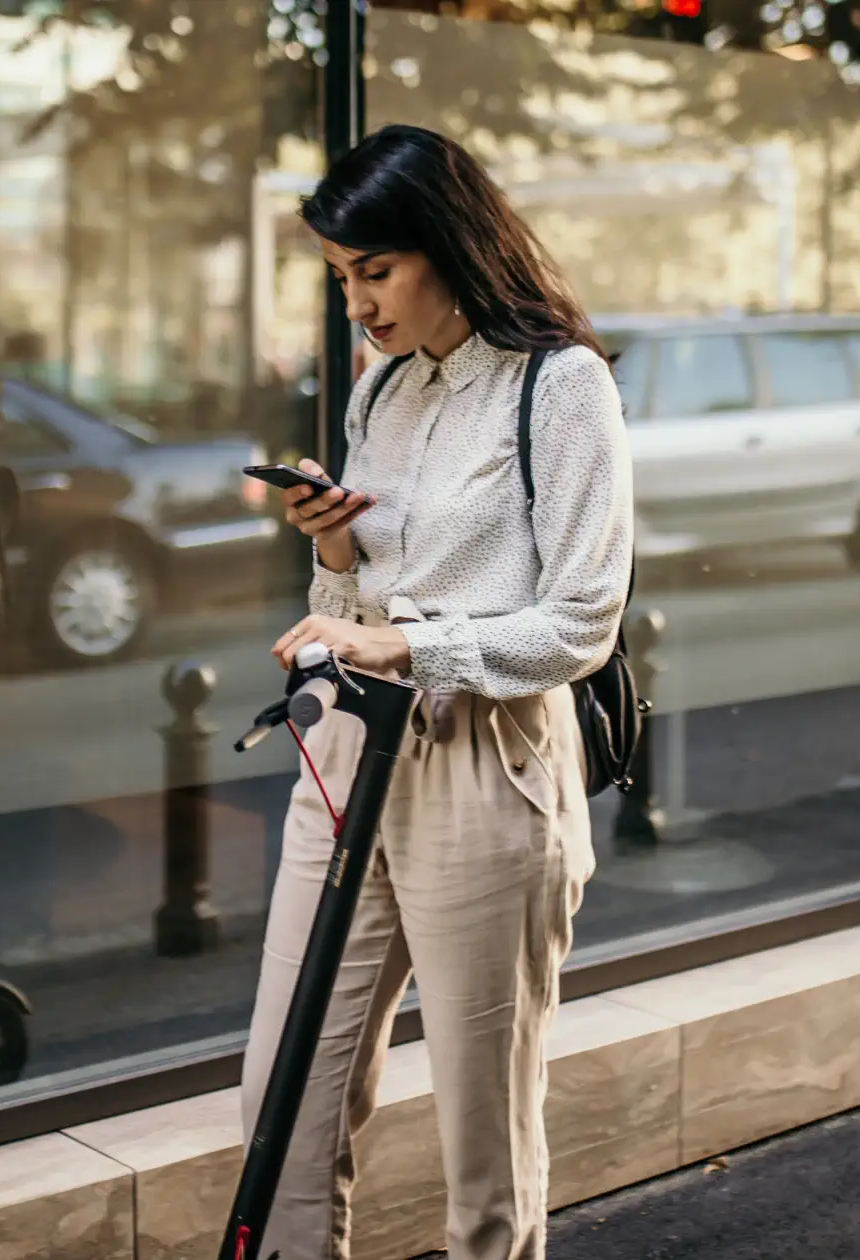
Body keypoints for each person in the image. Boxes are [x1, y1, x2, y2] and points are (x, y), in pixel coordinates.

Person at [248, 124, 634, 1260]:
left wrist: (408, 648)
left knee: (484, 1142)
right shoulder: (382, 396)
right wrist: (329, 551)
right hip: (349, 756)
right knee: (282, 1109)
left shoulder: (559, 387)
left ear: (446, 246)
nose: (355, 302)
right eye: (338, 276)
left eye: (375, 270)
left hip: (487, 767)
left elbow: (579, 621)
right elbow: (362, 592)